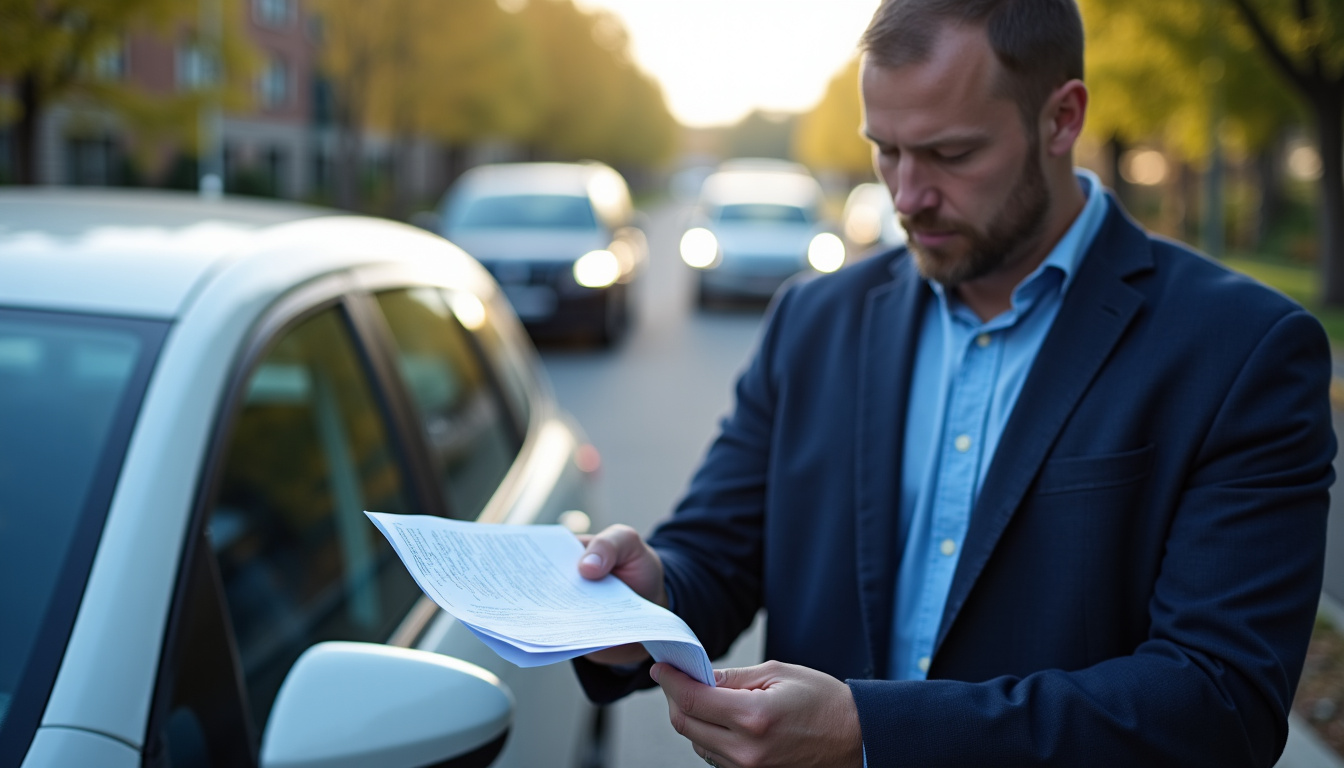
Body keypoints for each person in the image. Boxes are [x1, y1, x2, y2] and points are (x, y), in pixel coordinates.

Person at [575, 0, 1337, 765]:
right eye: (886, 151)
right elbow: (720, 553)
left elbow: (1221, 704)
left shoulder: (1243, 352)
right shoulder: (814, 319)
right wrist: (650, 601)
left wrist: (869, 733)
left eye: (950, 154)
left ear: (1061, 118)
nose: (906, 197)